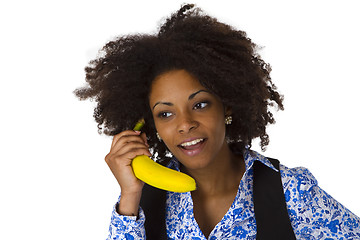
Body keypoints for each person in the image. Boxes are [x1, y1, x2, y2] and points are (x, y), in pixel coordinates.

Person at [74, 4, 360, 239]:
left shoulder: (291, 191)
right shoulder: (141, 203)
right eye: (165, 113)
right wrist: (130, 197)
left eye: (199, 104)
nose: (185, 124)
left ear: (227, 105)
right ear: (151, 126)